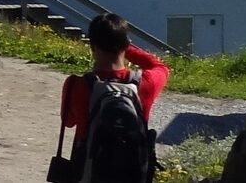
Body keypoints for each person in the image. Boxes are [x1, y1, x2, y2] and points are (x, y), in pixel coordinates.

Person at [58, 13, 167, 183]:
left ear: (92, 47)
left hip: (89, 172)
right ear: (126, 44)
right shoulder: (145, 84)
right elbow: (160, 66)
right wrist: (125, 47)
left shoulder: (76, 85)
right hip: (133, 173)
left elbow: (68, 121)